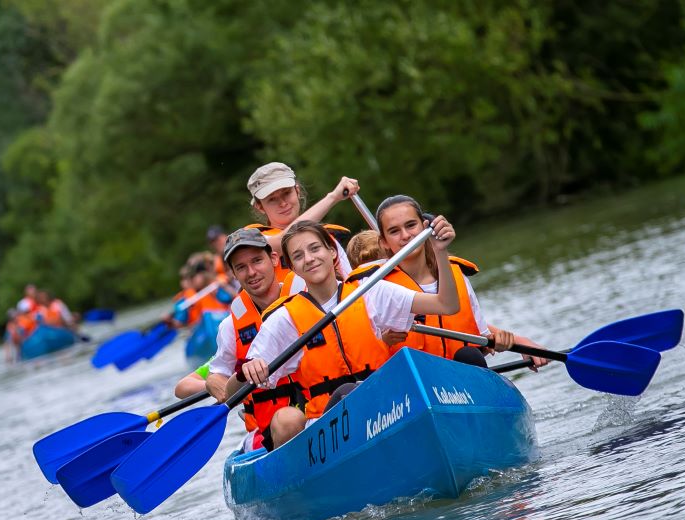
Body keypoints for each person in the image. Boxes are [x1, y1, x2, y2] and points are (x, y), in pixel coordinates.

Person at [229, 217, 462, 452]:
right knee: (337, 398)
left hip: (389, 409)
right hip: (329, 434)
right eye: (298, 256)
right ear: (293, 267)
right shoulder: (285, 319)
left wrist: (440, 251)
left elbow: (447, 305)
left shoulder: (369, 292)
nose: (309, 259)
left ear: (332, 252)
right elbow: (233, 393)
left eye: (315, 248)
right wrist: (246, 370)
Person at [371, 195, 549, 369]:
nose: (405, 235)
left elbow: (480, 337)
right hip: (414, 382)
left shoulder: (456, 274)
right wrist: (383, 342)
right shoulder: (379, 288)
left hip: (460, 380)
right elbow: (368, 354)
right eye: (394, 231)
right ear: (384, 242)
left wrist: (518, 342)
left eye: (411, 225)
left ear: (425, 226)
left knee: (469, 356)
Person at [203, 228, 308, 451]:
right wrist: (216, 379)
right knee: (288, 421)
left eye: (257, 261)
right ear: (233, 274)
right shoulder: (230, 327)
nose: (251, 272)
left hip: (322, 406)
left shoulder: (308, 296)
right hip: (274, 429)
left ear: (273, 258)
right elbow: (221, 381)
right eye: (241, 267)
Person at [246, 162, 359, 281]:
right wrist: (334, 197)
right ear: (260, 207)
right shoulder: (252, 238)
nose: (283, 203)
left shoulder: (326, 235)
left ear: (297, 191)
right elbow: (283, 240)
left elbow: (350, 281)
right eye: (272, 199)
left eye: (286, 193)